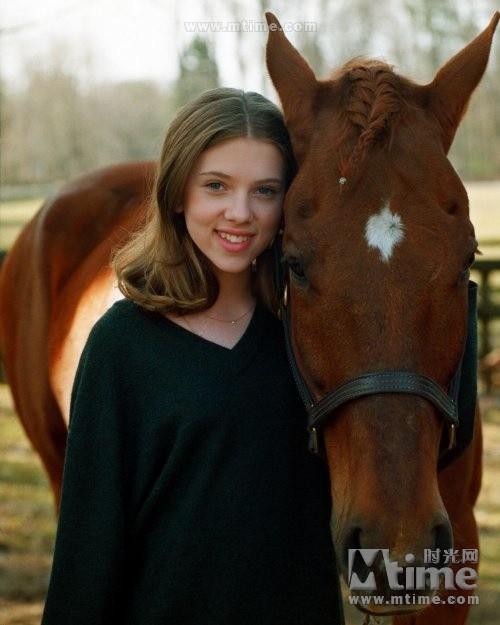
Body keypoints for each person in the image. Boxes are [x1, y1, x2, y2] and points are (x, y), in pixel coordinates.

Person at [40, 87, 345, 625]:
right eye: (216, 186)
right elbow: (87, 555)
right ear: (178, 193)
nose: (241, 213)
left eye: (266, 191)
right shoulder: (121, 348)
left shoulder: (304, 340)